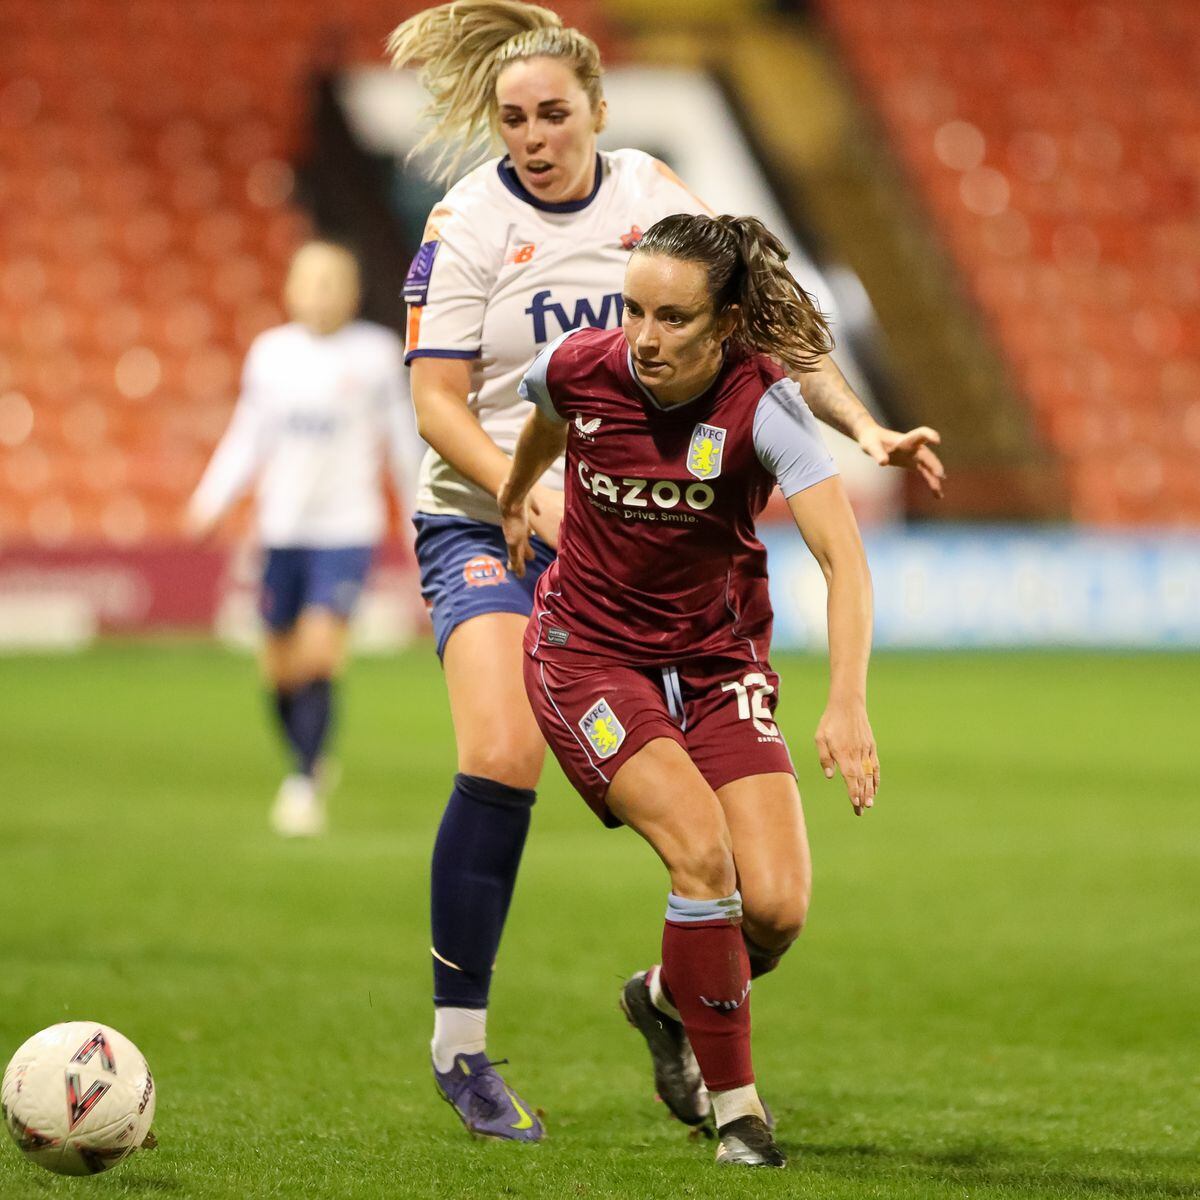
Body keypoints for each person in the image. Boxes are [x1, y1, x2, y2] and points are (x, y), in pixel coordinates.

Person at [387, 0, 935, 1142]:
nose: (531, 136)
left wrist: (863, 427)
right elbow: (438, 402)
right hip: (486, 510)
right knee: (498, 751)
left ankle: (675, 996)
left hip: (619, 528)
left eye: (552, 114)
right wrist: (517, 485)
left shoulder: (655, 196)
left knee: (765, 893)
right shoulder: (467, 222)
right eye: (512, 118)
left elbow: (773, 320)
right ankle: (461, 1047)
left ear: (595, 110)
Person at [498, 211, 878, 1168]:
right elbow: (546, 423)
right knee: (702, 858)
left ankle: (664, 998)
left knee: (778, 911)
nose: (646, 337)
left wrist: (847, 703)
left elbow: (846, 561)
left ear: (726, 322)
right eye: (634, 311)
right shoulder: (579, 365)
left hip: (716, 662)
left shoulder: (767, 406)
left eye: (673, 318)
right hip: (587, 654)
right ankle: (739, 1114)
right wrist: (514, 495)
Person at [186, 241, 421, 837]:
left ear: (354, 290)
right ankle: (308, 759)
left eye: (333, 281)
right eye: (310, 281)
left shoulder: (375, 353)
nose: (322, 292)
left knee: (320, 652)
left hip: (346, 528)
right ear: (290, 289)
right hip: (281, 530)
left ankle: (303, 778)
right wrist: (210, 501)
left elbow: (401, 440)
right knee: (278, 671)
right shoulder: (271, 354)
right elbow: (248, 435)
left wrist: (425, 516)